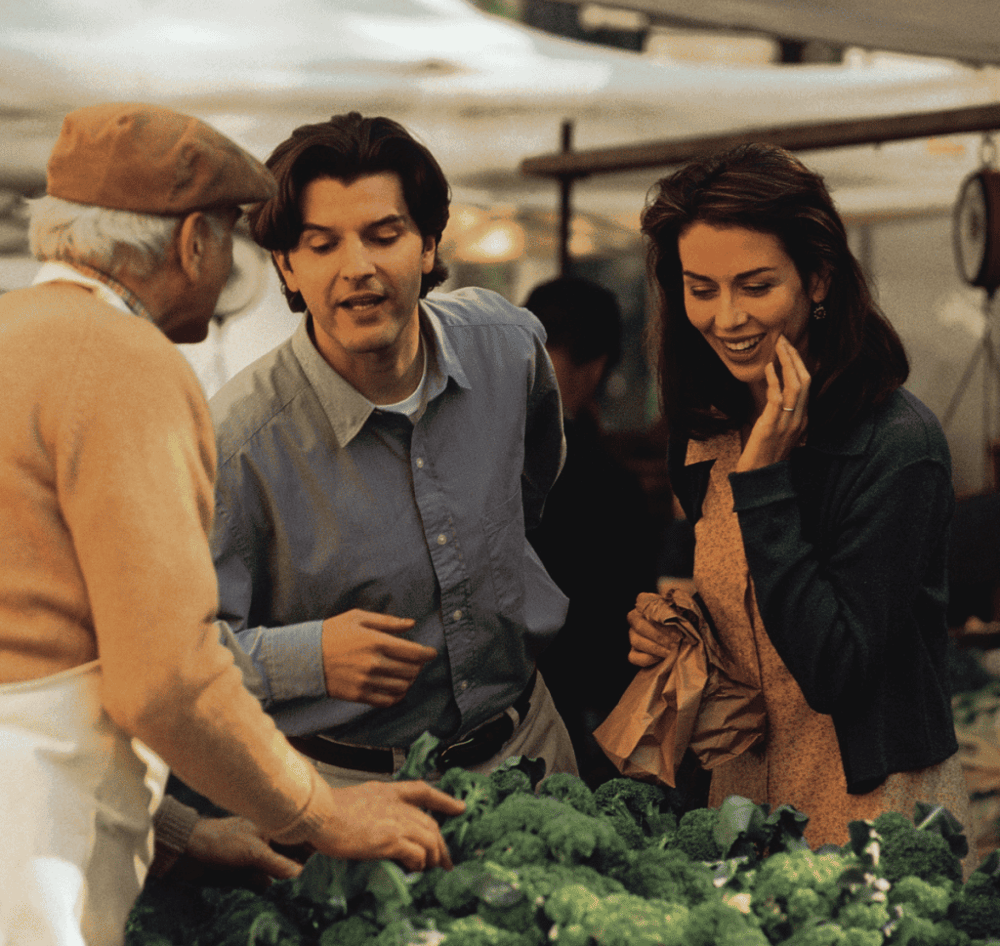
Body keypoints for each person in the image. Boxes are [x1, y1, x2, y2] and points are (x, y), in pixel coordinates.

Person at [0, 103, 463, 946]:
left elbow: (38, 634)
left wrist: (183, 833)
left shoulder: (9, 332)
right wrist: (321, 813)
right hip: (31, 844)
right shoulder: (128, 362)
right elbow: (165, 679)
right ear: (193, 244)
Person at [209, 112, 577, 790]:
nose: (359, 268)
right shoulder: (236, 444)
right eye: (322, 245)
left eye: (385, 235)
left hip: (533, 754)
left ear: (429, 245)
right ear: (286, 265)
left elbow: (528, 495)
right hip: (350, 788)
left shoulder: (508, 346)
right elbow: (177, 655)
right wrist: (309, 657)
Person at [630, 142, 971, 850]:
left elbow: (835, 670)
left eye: (756, 286)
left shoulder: (898, 447)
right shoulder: (706, 433)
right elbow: (744, 610)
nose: (726, 317)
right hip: (743, 801)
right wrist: (679, 630)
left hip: (872, 811)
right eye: (702, 288)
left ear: (818, 280)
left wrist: (764, 484)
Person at [522, 277, 655, 786]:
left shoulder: (468, 445)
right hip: (564, 722)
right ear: (598, 367)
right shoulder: (606, 482)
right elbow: (620, 633)